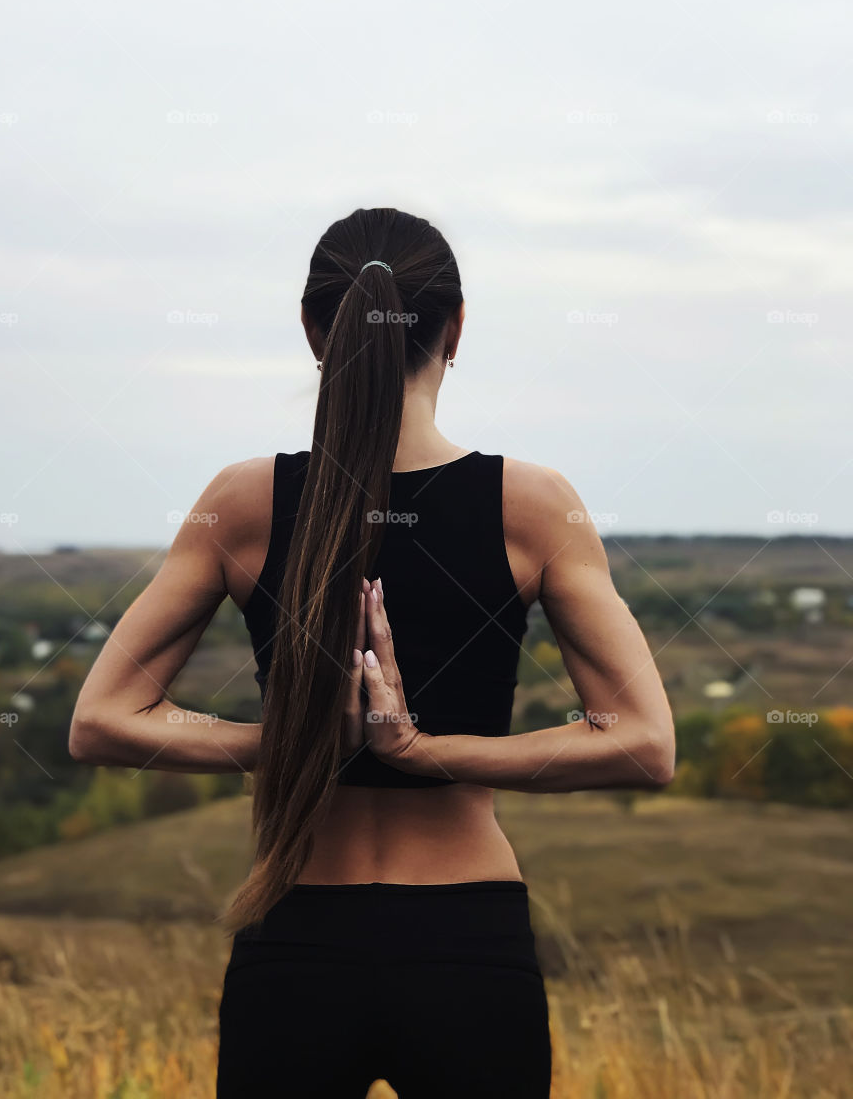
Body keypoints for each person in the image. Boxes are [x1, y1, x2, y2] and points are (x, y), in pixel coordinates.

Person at [69, 207, 676, 1099]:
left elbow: (101, 721)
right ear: (457, 329)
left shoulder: (243, 501)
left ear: (315, 330)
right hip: (469, 943)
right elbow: (642, 744)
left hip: (297, 938)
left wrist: (295, 736)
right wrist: (418, 749)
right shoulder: (534, 504)